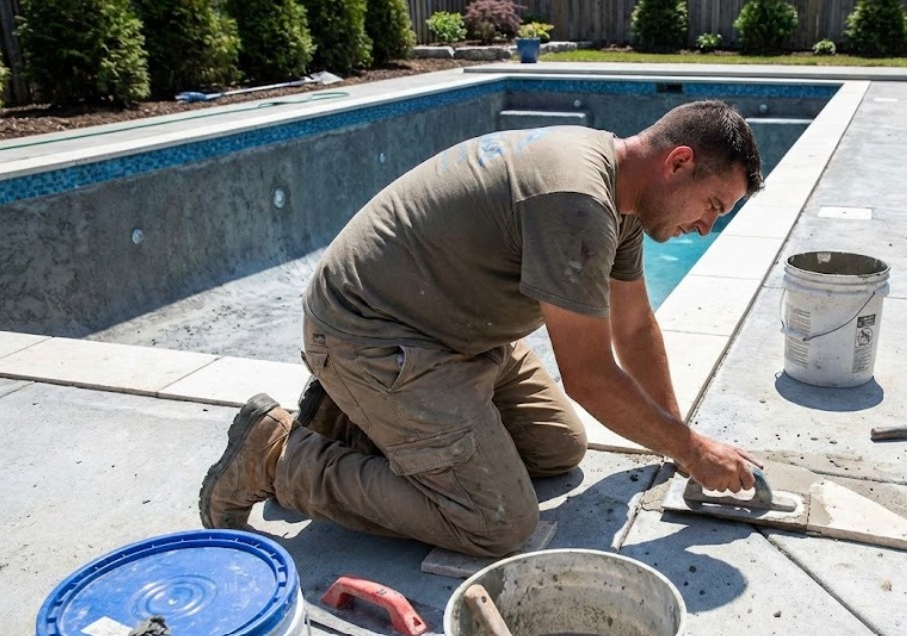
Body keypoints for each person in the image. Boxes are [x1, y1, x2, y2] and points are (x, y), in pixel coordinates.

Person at [199, 100, 765, 557]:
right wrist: (693, 451)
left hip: (456, 331)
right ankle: (276, 456)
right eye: (712, 205)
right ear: (679, 162)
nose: (707, 226)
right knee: (495, 523)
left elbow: (636, 328)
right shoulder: (576, 201)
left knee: (557, 449)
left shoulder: (621, 196)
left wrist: (676, 441)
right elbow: (590, 377)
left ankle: (357, 421)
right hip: (370, 333)